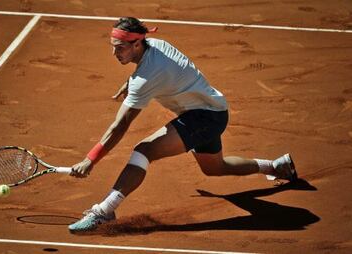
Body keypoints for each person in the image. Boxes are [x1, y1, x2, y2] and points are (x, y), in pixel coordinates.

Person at [68, 17, 297, 233]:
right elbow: (156, 71)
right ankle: (276, 167)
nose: (114, 53)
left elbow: (120, 126)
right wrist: (131, 80)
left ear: (137, 43)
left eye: (120, 47)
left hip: (203, 117)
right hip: (214, 110)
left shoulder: (146, 78)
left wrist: (91, 159)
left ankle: (104, 211)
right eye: (113, 46)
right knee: (215, 168)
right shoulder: (155, 45)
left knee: (144, 151)